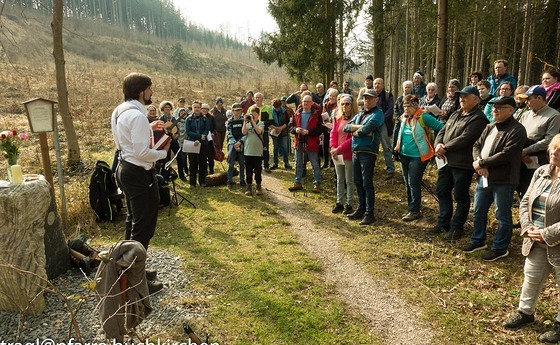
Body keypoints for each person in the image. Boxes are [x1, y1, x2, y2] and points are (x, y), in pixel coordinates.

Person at [110, 72, 168, 293]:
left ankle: (129, 267)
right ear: (140, 91)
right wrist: (162, 153)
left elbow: (123, 141)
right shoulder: (137, 117)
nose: (152, 92)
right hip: (138, 172)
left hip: (123, 168)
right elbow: (143, 152)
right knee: (143, 226)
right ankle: (134, 279)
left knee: (133, 219)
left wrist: (148, 129)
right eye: (150, 88)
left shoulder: (119, 111)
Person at [502, 134, 560, 343]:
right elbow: (525, 201)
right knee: (531, 276)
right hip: (535, 238)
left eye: (559, 150)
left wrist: (546, 234)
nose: (554, 152)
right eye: (553, 148)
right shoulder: (541, 172)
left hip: (554, 241)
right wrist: (527, 227)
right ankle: (525, 313)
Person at [462, 96, 527, 261]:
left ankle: (500, 247)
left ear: (511, 110)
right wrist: (478, 162)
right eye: (493, 107)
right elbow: (476, 145)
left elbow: (507, 154)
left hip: (504, 180)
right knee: (478, 211)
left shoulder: (517, 130)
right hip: (484, 177)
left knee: (502, 215)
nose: (494, 110)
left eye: (499, 107)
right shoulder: (490, 126)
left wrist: (481, 163)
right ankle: (478, 240)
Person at [428, 86, 488, 240]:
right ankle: (443, 223)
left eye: (465, 97)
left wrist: (445, 147)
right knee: (442, 190)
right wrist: (438, 145)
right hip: (446, 161)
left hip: (462, 164)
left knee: (460, 195)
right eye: (460, 97)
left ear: (475, 99)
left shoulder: (479, 118)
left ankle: (457, 228)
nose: (461, 99)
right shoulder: (456, 113)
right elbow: (442, 130)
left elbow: (466, 138)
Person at [394, 95, 443, 221]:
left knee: (413, 183)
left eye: (408, 106)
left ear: (415, 106)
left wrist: (438, 143)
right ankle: (411, 207)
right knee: (407, 183)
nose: (405, 108)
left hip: (418, 156)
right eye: (404, 106)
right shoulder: (404, 117)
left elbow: (441, 127)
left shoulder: (423, 117)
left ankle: (415, 210)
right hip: (403, 154)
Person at [344, 89, 384, 225]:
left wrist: (357, 130)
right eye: (365, 98)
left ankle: (369, 213)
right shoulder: (360, 113)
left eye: (370, 98)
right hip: (356, 151)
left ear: (376, 100)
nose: (367, 100)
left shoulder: (378, 114)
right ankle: (361, 209)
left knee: (367, 183)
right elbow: (346, 128)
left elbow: (368, 129)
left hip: (368, 152)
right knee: (358, 182)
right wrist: (359, 129)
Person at [517, 85, 560, 198]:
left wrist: (527, 150)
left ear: (539, 98)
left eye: (529, 99)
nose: (526, 102)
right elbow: (517, 134)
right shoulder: (525, 114)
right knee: (521, 188)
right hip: (520, 157)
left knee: (535, 189)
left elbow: (549, 140)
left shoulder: (554, 115)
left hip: (539, 159)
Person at [288, 95, 323, 193]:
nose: (306, 103)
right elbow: (290, 126)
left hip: (312, 143)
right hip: (299, 142)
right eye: (304, 101)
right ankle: (297, 182)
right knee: (298, 163)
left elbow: (320, 129)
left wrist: (309, 132)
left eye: (308, 101)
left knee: (315, 164)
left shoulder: (316, 114)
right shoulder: (297, 113)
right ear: (301, 103)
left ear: (312, 103)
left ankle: (317, 184)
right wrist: (296, 130)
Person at [330, 94, 356, 215]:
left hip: (348, 154)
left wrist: (339, 149)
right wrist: (333, 147)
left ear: (352, 105)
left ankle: (349, 204)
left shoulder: (355, 119)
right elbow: (333, 133)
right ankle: (339, 202)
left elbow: (352, 139)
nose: (345, 106)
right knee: (340, 179)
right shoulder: (338, 118)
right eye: (343, 104)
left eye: (347, 104)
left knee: (349, 180)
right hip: (337, 154)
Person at [373, 78, 396, 179]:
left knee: (386, 146)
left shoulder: (387, 95)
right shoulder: (370, 95)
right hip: (372, 123)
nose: (377, 86)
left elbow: (390, 110)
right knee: (372, 146)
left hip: (383, 124)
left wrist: (380, 119)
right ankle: (371, 167)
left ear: (383, 85)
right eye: (375, 84)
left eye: (379, 84)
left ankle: (390, 169)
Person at [185, 100, 209, 188]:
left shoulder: (205, 119)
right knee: (193, 163)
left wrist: (200, 139)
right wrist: (199, 137)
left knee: (202, 162)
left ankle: (202, 181)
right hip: (192, 143)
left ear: (201, 108)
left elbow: (206, 130)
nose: (197, 109)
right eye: (195, 107)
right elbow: (188, 132)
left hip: (203, 143)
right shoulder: (189, 119)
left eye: (198, 107)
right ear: (192, 108)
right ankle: (192, 183)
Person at [242, 107, 265, 196]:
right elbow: (244, 132)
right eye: (252, 115)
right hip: (248, 151)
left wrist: (253, 122)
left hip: (257, 152)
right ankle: (249, 186)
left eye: (255, 114)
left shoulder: (261, 123)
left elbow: (259, 132)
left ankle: (258, 186)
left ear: (258, 115)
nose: (253, 116)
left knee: (258, 170)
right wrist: (245, 121)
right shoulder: (247, 124)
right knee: (248, 170)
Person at [250, 92, 273, 173]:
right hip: (253, 132)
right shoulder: (251, 108)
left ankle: (266, 165)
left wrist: (263, 124)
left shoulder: (267, 108)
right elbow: (247, 119)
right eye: (256, 97)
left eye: (259, 97)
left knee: (265, 148)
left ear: (262, 98)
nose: (257, 99)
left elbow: (271, 120)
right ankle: (254, 166)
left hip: (264, 132)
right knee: (254, 149)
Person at [226, 103, 246, 188]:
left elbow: (246, 133)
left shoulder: (243, 120)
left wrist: (240, 142)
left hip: (241, 143)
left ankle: (242, 180)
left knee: (242, 163)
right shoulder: (229, 121)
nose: (238, 112)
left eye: (239, 110)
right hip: (232, 143)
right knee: (231, 162)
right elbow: (229, 133)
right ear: (232, 111)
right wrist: (234, 143)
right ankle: (229, 180)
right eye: (236, 110)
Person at [270, 98, 292, 170]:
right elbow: (268, 123)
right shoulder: (270, 112)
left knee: (285, 148)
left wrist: (281, 128)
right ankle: (275, 163)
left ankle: (286, 163)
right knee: (275, 148)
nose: (276, 109)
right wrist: (276, 128)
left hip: (283, 131)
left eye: (278, 108)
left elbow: (287, 122)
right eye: (275, 108)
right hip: (274, 131)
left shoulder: (284, 111)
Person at [321, 89, 339, 169]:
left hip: (334, 128)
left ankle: (332, 162)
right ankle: (325, 162)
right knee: (325, 145)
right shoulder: (326, 104)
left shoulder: (338, 106)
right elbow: (323, 113)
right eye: (330, 96)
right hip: (326, 127)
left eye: (333, 96)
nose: (331, 98)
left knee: (332, 145)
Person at [175, 107, 190, 181]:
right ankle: (186, 171)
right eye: (181, 113)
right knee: (183, 157)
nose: (183, 114)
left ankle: (192, 170)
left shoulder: (189, 120)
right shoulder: (177, 122)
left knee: (190, 156)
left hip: (190, 141)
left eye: (184, 112)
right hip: (181, 141)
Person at [201, 103, 216, 174]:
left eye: (206, 109)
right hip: (201, 138)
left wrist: (213, 132)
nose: (205, 110)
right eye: (203, 109)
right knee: (202, 156)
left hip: (210, 139)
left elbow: (215, 128)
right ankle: (204, 171)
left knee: (210, 155)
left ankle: (211, 169)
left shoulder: (211, 117)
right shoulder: (199, 117)